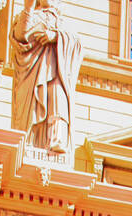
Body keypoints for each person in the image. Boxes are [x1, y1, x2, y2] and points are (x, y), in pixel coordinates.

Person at [10, 0, 83, 156]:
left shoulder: (63, 22)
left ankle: (57, 140)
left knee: (58, 99)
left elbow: (77, 43)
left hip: (57, 71)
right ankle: (32, 140)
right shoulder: (31, 16)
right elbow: (20, 37)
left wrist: (56, 36)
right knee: (33, 108)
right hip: (33, 73)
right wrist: (28, 8)